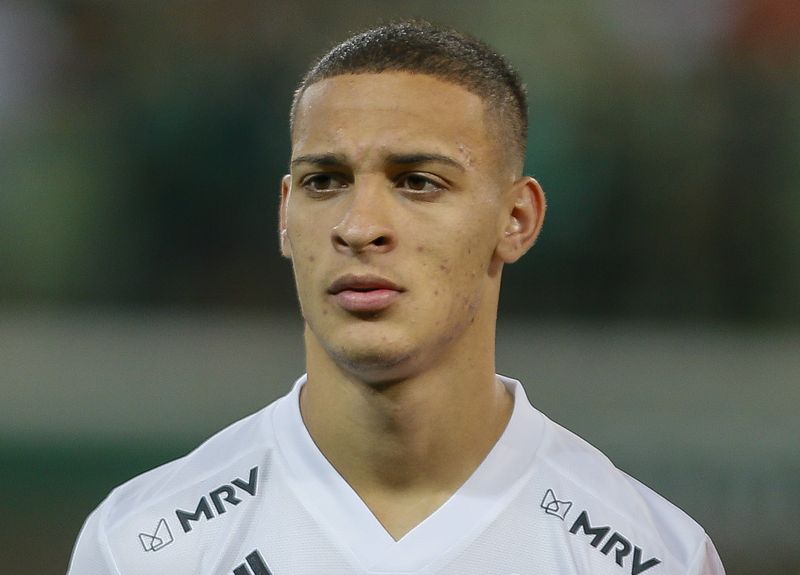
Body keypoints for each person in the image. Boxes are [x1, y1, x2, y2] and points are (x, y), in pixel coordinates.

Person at [68, 20, 726, 575]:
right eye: (325, 181)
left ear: (517, 219)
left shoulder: (651, 558)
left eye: (417, 181)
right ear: (285, 216)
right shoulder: (142, 547)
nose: (359, 227)